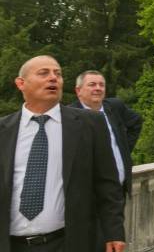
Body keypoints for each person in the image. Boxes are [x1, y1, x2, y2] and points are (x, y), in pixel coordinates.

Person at [0, 56, 126, 252]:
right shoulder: (4, 130)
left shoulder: (90, 124)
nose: (53, 78)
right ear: (21, 83)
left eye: (57, 74)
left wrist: (114, 232)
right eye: (44, 73)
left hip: (67, 242)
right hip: (11, 244)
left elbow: (107, 184)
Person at [69, 70, 143, 194]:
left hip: (117, 190)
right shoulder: (69, 116)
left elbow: (136, 122)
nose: (98, 88)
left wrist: (123, 149)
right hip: (86, 193)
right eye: (92, 84)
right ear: (78, 91)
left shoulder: (115, 107)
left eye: (101, 85)